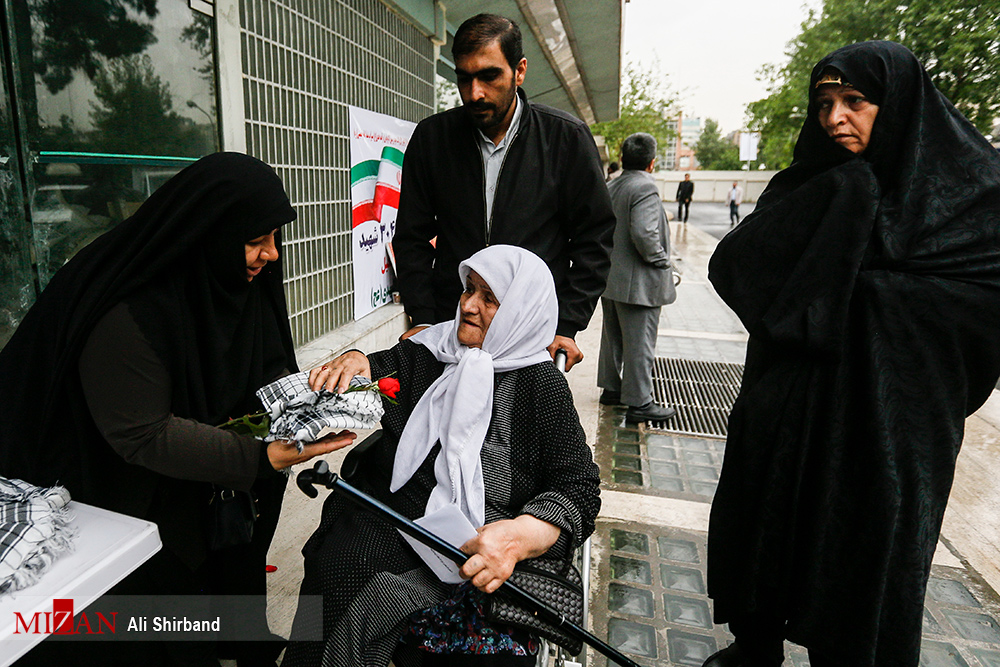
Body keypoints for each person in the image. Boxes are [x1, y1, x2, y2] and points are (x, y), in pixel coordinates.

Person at [701, 41, 1000, 667]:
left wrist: (858, 289)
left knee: (865, 553)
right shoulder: (807, 187)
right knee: (768, 525)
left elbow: (978, 307)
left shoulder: (970, 196)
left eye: (855, 102)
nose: (835, 117)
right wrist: (841, 203)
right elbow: (738, 266)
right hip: (791, 405)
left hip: (891, 425)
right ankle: (755, 643)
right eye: (825, 103)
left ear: (896, 105)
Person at [0, 153, 356, 667]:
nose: (271, 255)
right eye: (255, 241)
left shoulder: (240, 283)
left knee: (233, 562)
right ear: (208, 234)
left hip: (212, 472)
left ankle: (235, 638)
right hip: (124, 482)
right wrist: (258, 458)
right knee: (167, 612)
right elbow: (142, 434)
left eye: (275, 238)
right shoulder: (129, 310)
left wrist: (313, 407)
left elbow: (270, 373)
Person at [283, 245, 601, 667]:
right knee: (341, 566)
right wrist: (357, 359)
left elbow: (579, 488)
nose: (468, 305)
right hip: (402, 517)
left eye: (489, 298)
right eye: (468, 289)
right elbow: (375, 369)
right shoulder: (434, 351)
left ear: (520, 311)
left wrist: (518, 537)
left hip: (491, 544)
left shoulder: (541, 386)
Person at [393, 13, 616, 372]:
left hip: (531, 339)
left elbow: (595, 239)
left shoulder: (566, 139)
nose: (475, 92)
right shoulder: (432, 139)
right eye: (464, 78)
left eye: (489, 75)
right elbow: (410, 237)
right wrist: (422, 317)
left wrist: (567, 324)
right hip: (453, 332)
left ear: (520, 70)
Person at [598, 133, 677, 424]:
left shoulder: (613, 183)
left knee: (613, 340)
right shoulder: (644, 186)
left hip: (612, 278)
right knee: (640, 343)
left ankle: (611, 388)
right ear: (652, 163)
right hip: (639, 283)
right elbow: (644, 233)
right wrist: (661, 260)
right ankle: (640, 403)